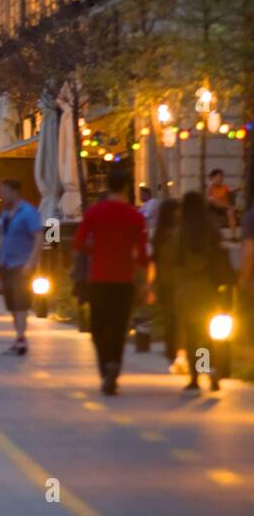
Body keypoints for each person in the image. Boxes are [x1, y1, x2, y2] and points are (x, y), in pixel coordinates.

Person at [73, 168, 148, 396]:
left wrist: (95, 251)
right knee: (119, 327)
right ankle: (115, 362)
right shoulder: (135, 216)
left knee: (98, 327)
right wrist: (145, 281)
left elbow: (79, 244)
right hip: (124, 280)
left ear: (107, 185)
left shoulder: (95, 213)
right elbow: (143, 253)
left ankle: (106, 366)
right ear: (126, 188)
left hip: (99, 278)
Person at [156, 191, 230, 391]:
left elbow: (172, 262)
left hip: (186, 290)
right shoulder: (211, 229)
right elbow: (221, 257)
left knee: (190, 333)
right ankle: (210, 367)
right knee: (207, 333)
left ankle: (195, 377)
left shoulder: (179, 232)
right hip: (209, 289)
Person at [0, 179, 42, 355]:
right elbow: (3, 239)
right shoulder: (6, 214)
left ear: (14, 192)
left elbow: (38, 237)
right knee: (12, 305)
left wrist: (32, 262)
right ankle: (19, 336)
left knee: (20, 304)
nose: (1, 196)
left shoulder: (28, 212)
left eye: (4, 192)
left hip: (22, 265)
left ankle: (21, 339)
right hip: (6, 264)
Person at [150, 198, 183, 373]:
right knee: (187, 325)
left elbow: (153, 262)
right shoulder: (178, 234)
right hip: (178, 285)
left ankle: (176, 356)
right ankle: (200, 366)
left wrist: (150, 286)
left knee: (173, 323)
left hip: (168, 285)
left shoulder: (159, 235)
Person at [207, 169, 236, 236]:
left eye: (222, 177)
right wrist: (210, 186)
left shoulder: (225, 187)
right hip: (214, 208)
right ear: (213, 178)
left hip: (224, 208)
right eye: (219, 177)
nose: (221, 179)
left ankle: (233, 237)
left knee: (230, 212)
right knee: (211, 199)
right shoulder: (210, 188)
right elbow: (207, 199)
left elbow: (232, 193)